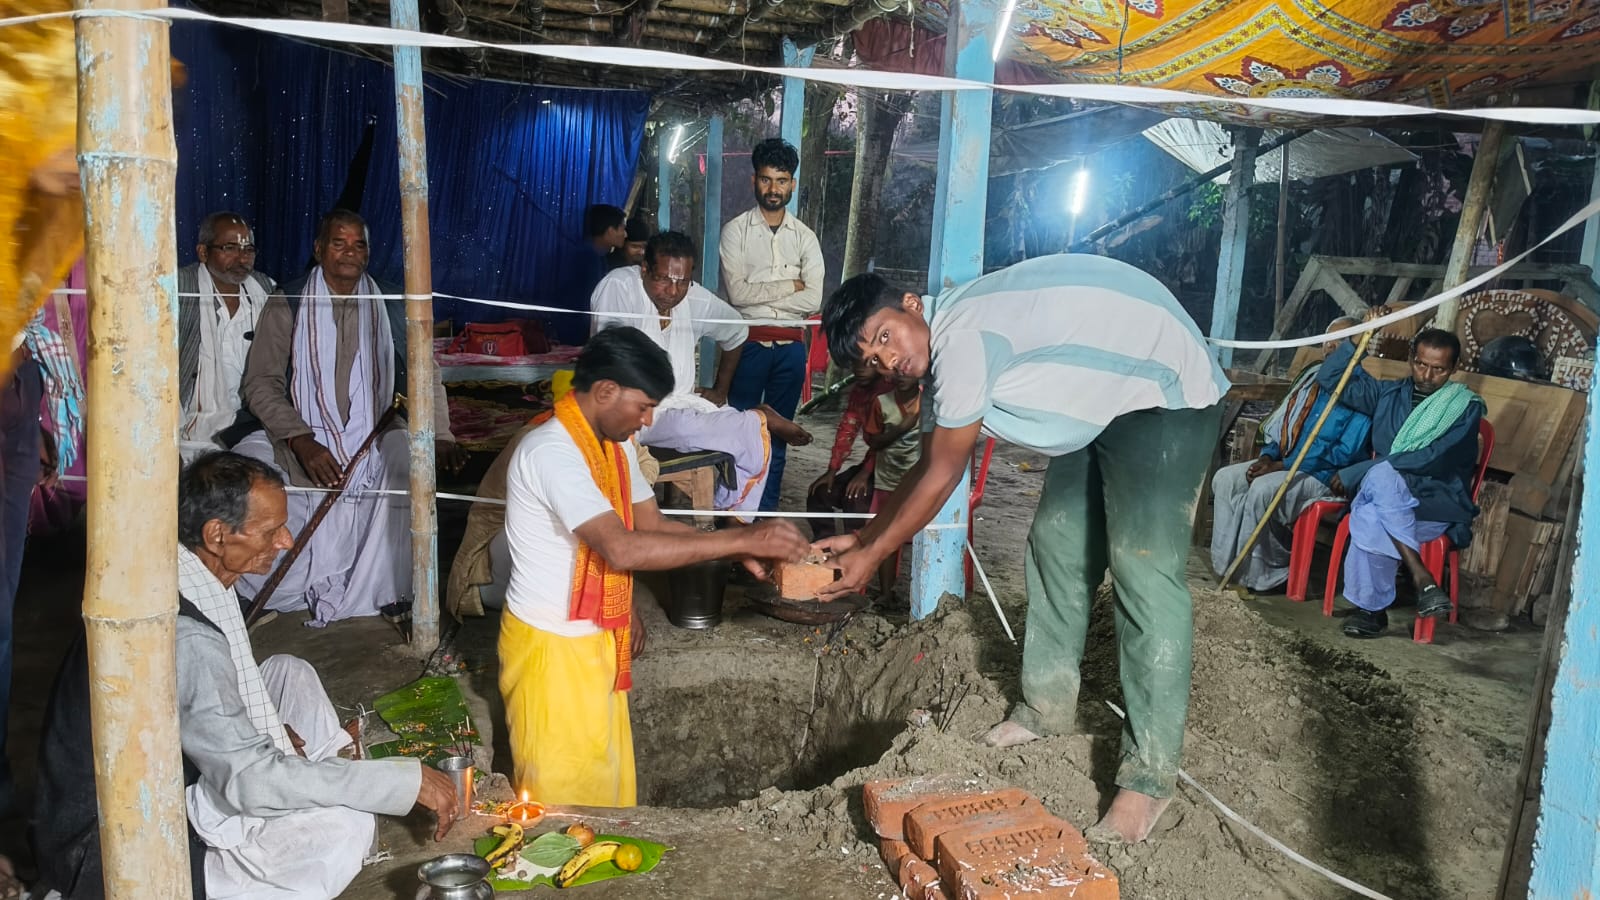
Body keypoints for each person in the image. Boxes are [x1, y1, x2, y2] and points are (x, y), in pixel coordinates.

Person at [816, 256, 1229, 844]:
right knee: (1057, 541)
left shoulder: (961, 340)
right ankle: (1046, 709)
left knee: (1143, 572)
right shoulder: (937, 354)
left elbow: (941, 479)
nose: (888, 360)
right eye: (874, 361)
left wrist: (871, 555)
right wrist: (861, 539)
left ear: (910, 304)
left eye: (884, 337)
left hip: (1163, 389)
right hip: (1102, 400)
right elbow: (932, 463)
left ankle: (1148, 781)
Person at [31, 451, 458, 900]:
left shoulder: (180, 569)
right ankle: (225, 879)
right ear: (217, 535)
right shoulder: (188, 634)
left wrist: (261, 732)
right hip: (109, 843)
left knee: (288, 673)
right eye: (271, 531)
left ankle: (320, 771)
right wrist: (399, 782)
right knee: (344, 826)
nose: (286, 541)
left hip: (165, 763)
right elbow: (247, 781)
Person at [498, 326, 809, 806]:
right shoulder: (551, 451)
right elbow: (622, 548)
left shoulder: (614, 445)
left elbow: (652, 523)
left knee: (606, 788)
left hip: (596, 636)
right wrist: (745, 536)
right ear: (605, 391)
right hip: (551, 647)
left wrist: (733, 545)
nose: (646, 422)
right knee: (561, 803)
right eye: (643, 407)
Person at [236, 209, 465, 626]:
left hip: (376, 430)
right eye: (338, 243)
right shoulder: (288, 301)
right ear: (319, 249)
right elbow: (261, 383)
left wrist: (442, 433)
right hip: (299, 434)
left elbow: (425, 372)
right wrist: (301, 440)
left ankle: (383, 585)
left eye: (359, 244)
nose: (349, 253)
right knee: (249, 488)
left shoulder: (394, 303)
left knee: (406, 461)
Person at [590, 231, 811, 519]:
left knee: (751, 442)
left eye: (682, 281)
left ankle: (732, 520)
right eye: (663, 279)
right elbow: (609, 357)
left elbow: (736, 330)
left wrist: (720, 390)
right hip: (629, 411)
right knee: (720, 430)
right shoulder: (618, 287)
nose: (673, 291)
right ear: (644, 269)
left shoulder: (693, 297)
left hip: (679, 406)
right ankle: (756, 418)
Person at [1319, 320, 1483, 638]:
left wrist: (1361, 471)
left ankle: (1371, 611)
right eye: (1421, 364)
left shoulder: (1464, 409)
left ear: (1453, 369)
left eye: (1438, 369)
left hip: (1432, 502)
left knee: (1370, 509)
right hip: (1386, 495)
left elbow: (1431, 457)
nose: (1427, 375)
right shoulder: (1387, 394)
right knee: (1381, 479)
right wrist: (1356, 340)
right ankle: (1421, 577)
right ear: (1411, 359)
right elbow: (1330, 378)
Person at [1209, 317, 1371, 593]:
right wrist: (1266, 458)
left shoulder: (1363, 392)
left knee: (1262, 489)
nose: (1330, 347)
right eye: (1326, 341)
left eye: (1340, 342)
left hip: (1323, 475)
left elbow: (1344, 455)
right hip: (1282, 463)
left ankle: (1268, 575)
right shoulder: (1310, 381)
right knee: (1226, 478)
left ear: (1356, 346)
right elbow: (1282, 424)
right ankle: (1228, 567)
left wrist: (1282, 465)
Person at [719, 137, 825, 511]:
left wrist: (762, 290)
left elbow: (813, 300)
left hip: (791, 351)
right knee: (739, 432)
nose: (774, 189)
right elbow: (738, 295)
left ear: (792, 184)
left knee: (778, 435)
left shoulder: (806, 238)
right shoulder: (735, 232)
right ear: (754, 182)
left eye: (782, 181)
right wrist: (790, 285)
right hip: (747, 346)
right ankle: (732, 513)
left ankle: (765, 514)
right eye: (766, 180)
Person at [178, 212, 278, 462]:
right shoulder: (180, 290)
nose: (241, 258)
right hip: (188, 431)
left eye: (248, 249)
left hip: (249, 428)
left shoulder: (267, 292)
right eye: (230, 248)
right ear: (203, 252)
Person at [807, 371, 921, 541]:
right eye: (855, 362)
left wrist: (866, 472)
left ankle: (857, 549)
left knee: (855, 498)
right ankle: (825, 545)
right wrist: (832, 470)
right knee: (819, 493)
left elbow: (884, 445)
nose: (860, 368)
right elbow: (848, 429)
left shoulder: (897, 390)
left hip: (893, 470)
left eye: (868, 361)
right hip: (877, 465)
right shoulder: (860, 392)